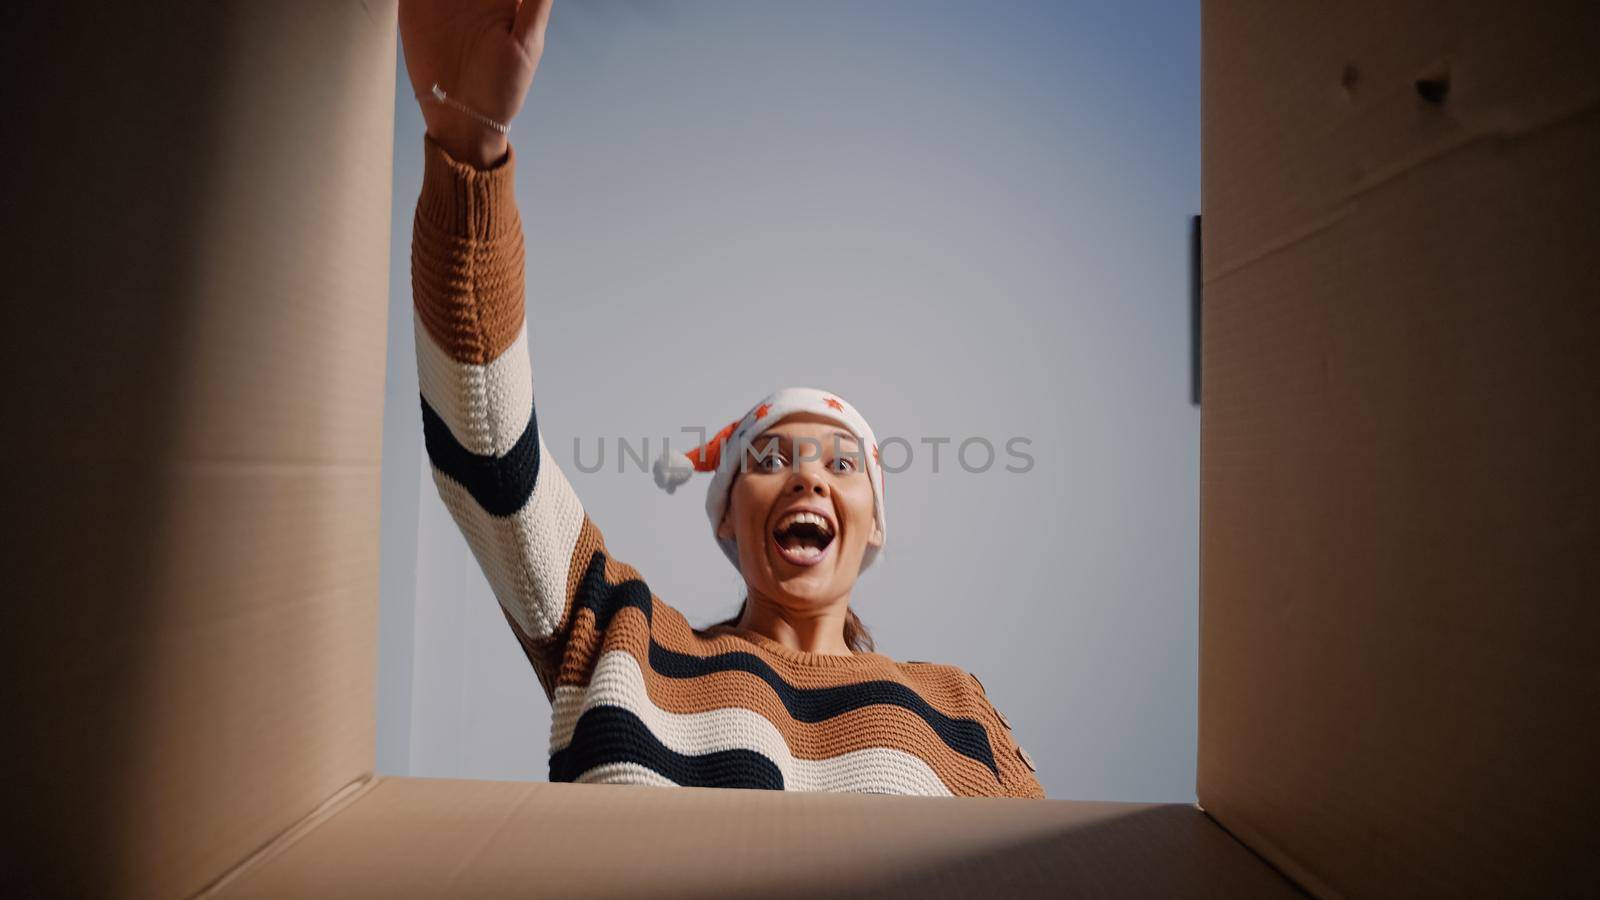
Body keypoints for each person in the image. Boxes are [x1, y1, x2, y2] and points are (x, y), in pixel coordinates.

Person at [400, 0, 1045, 798]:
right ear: (729, 514)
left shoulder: (958, 708)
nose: (809, 478)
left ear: (875, 520)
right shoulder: (618, 638)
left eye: (843, 464)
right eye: (771, 460)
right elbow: (487, 455)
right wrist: (468, 134)